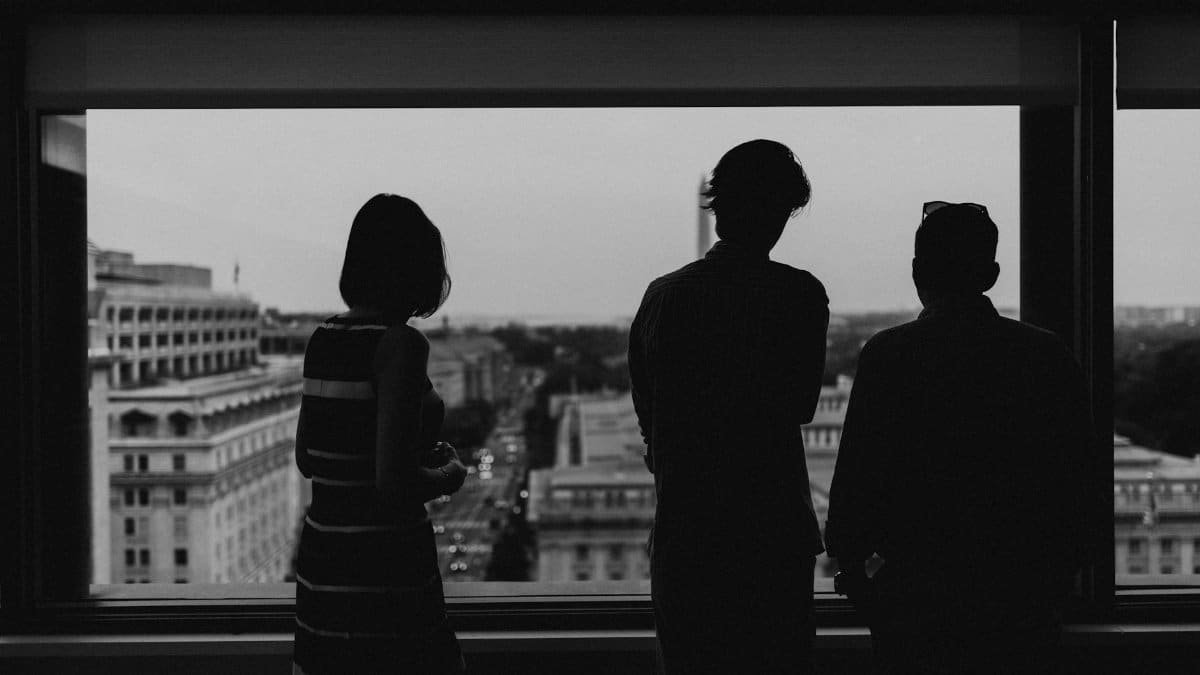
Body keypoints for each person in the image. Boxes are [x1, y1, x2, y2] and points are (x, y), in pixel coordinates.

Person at [824, 202, 1093, 675]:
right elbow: (1076, 482)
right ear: (990, 274)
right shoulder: (1046, 356)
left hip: (915, 597)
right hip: (1019, 597)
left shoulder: (889, 356)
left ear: (916, 271)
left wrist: (858, 578)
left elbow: (855, 482)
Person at [628, 139, 829, 674]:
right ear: (779, 212)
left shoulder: (662, 297)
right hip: (772, 535)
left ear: (719, 207)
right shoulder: (800, 295)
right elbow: (802, 405)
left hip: (686, 533)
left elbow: (649, 416)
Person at [292, 194, 468, 674]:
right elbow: (392, 484)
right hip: (383, 568)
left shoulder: (323, 338)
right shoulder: (400, 345)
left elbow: (307, 458)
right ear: (417, 268)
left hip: (324, 565)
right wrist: (449, 475)